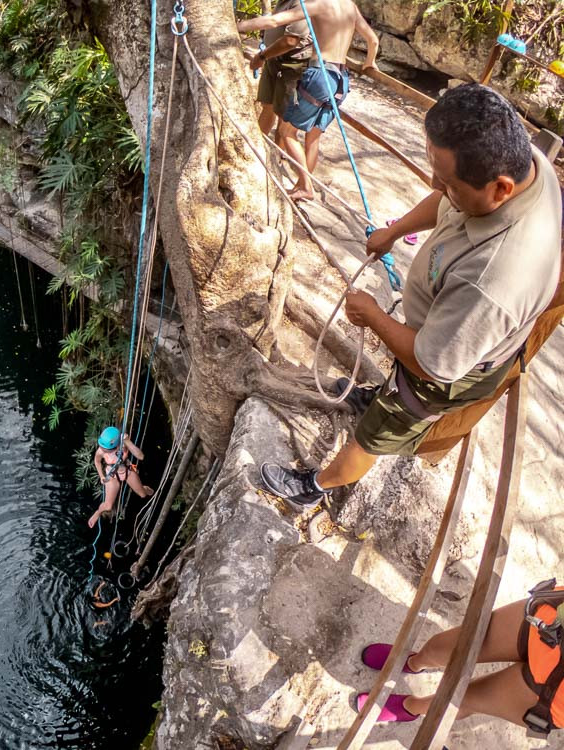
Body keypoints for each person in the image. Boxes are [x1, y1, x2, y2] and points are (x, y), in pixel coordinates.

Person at [261, 84, 563, 510]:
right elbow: (445, 198)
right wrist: (395, 230)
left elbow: (431, 364)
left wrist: (372, 317)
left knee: (378, 432)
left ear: (500, 189)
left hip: (440, 368)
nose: (434, 182)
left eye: (447, 179)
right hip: (444, 332)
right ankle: (376, 394)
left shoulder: (495, 281)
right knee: (392, 388)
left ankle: (314, 487)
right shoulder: (528, 165)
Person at [356, 580, 564, 736]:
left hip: (554, 697)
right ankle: (415, 662)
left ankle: (411, 707)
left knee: (461, 699)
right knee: (443, 646)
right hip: (551, 621)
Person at [238, 0, 379, 200]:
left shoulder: (319, 5)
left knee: (287, 132)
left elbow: (274, 21)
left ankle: (306, 186)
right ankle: (301, 186)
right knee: (313, 137)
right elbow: (373, 41)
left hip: (320, 75)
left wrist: (237, 26)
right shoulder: (350, 6)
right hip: (341, 79)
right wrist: (369, 62)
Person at [250, 0, 313, 136]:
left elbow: (291, 41)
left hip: (291, 65)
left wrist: (261, 57)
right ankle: (257, 148)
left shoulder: (302, 3)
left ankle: (281, 155)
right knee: (268, 107)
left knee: (284, 117)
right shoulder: (284, 2)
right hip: (273, 59)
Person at [88, 426, 154, 528]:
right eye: (101, 447)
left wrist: (128, 441)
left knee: (143, 495)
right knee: (108, 506)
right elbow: (97, 461)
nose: (102, 449)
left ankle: (144, 488)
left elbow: (141, 456)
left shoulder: (123, 443)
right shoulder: (101, 450)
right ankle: (97, 513)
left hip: (126, 470)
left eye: (105, 449)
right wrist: (101, 476)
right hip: (112, 475)